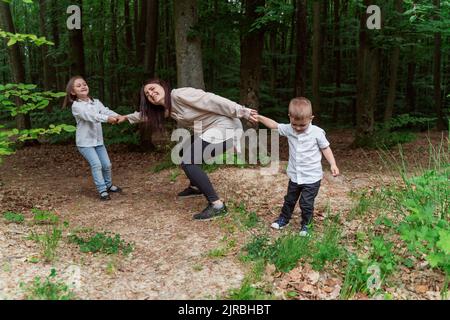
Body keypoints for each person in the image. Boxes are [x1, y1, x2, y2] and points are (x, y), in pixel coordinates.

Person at [116, 78, 258, 220]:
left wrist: (241, 111)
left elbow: (211, 100)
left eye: (153, 89)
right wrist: (126, 118)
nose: (151, 93)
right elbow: (146, 116)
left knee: (188, 161)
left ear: (162, 86)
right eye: (147, 94)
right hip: (212, 130)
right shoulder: (167, 108)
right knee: (184, 148)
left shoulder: (178, 95)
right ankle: (196, 187)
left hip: (226, 128)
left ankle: (217, 205)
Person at [257, 97, 339, 236]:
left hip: (312, 177)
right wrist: (259, 117)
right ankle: (284, 219)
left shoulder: (317, 133)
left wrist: (333, 164)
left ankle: (306, 225)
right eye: (295, 124)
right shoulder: (289, 129)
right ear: (290, 117)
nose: (298, 128)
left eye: (302, 125)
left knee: (306, 203)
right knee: (289, 199)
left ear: (311, 118)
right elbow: (274, 125)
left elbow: (326, 148)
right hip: (295, 175)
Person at [64, 76, 123, 201]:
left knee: (107, 164)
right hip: (85, 143)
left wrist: (117, 116)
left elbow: (105, 111)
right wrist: (107, 119)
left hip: (98, 141)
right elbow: (91, 116)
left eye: (84, 84)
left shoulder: (95, 102)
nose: (83, 86)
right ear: (73, 92)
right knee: (96, 165)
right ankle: (102, 191)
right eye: (78, 85)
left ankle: (108, 185)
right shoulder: (76, 106)